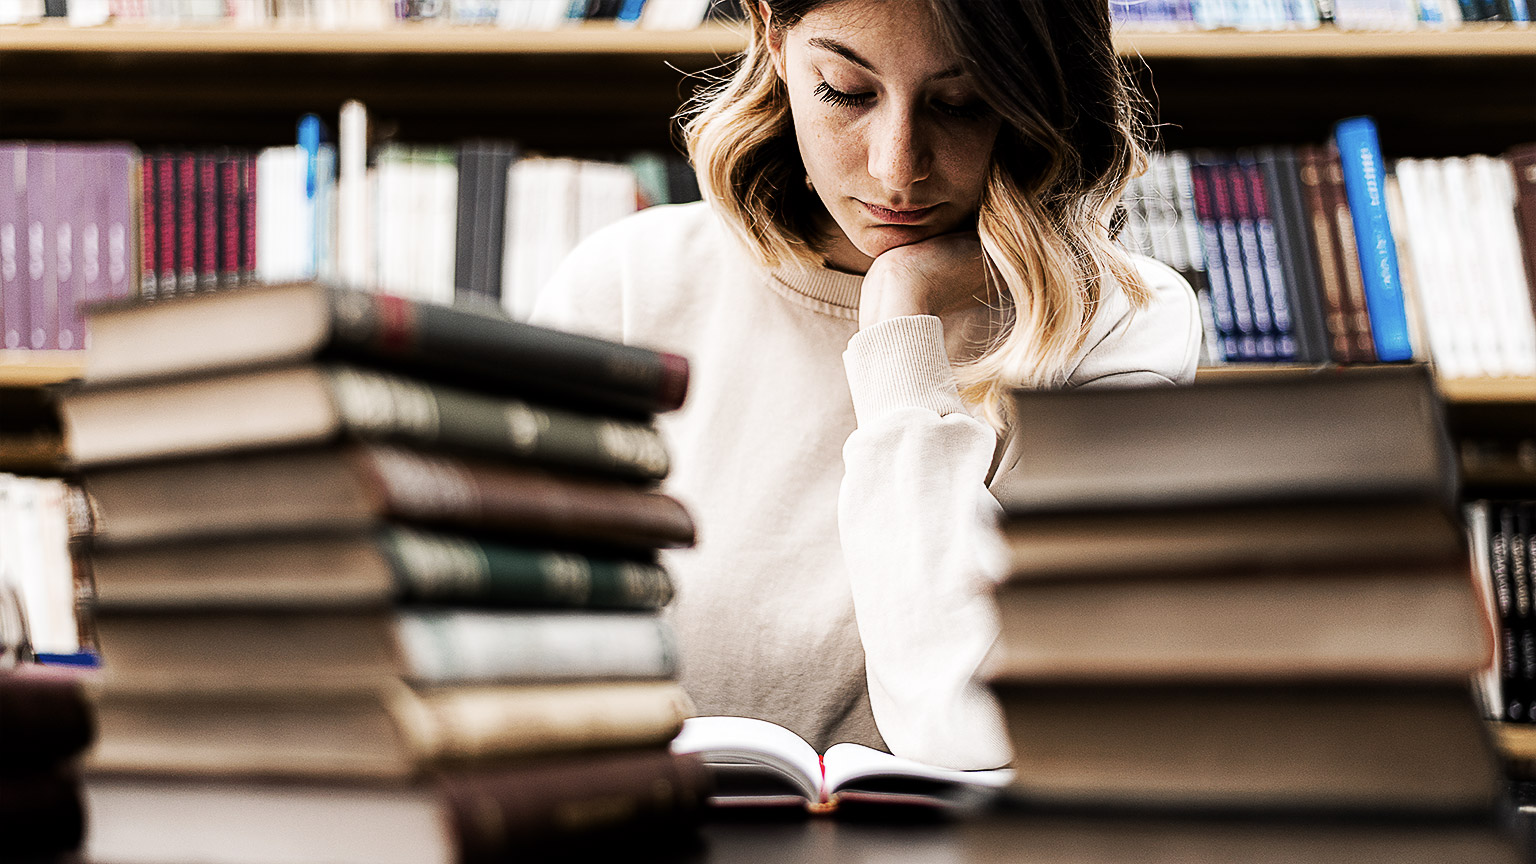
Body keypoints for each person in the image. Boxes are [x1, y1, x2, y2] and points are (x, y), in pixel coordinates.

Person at [530, 0, 1200, 770]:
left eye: (961, 103)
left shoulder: (1117, 322)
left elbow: (971, 724)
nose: (896, 168)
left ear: (1039, 98)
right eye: (846, 90)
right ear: (774, 41)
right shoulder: (624, 287)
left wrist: (898, 334)